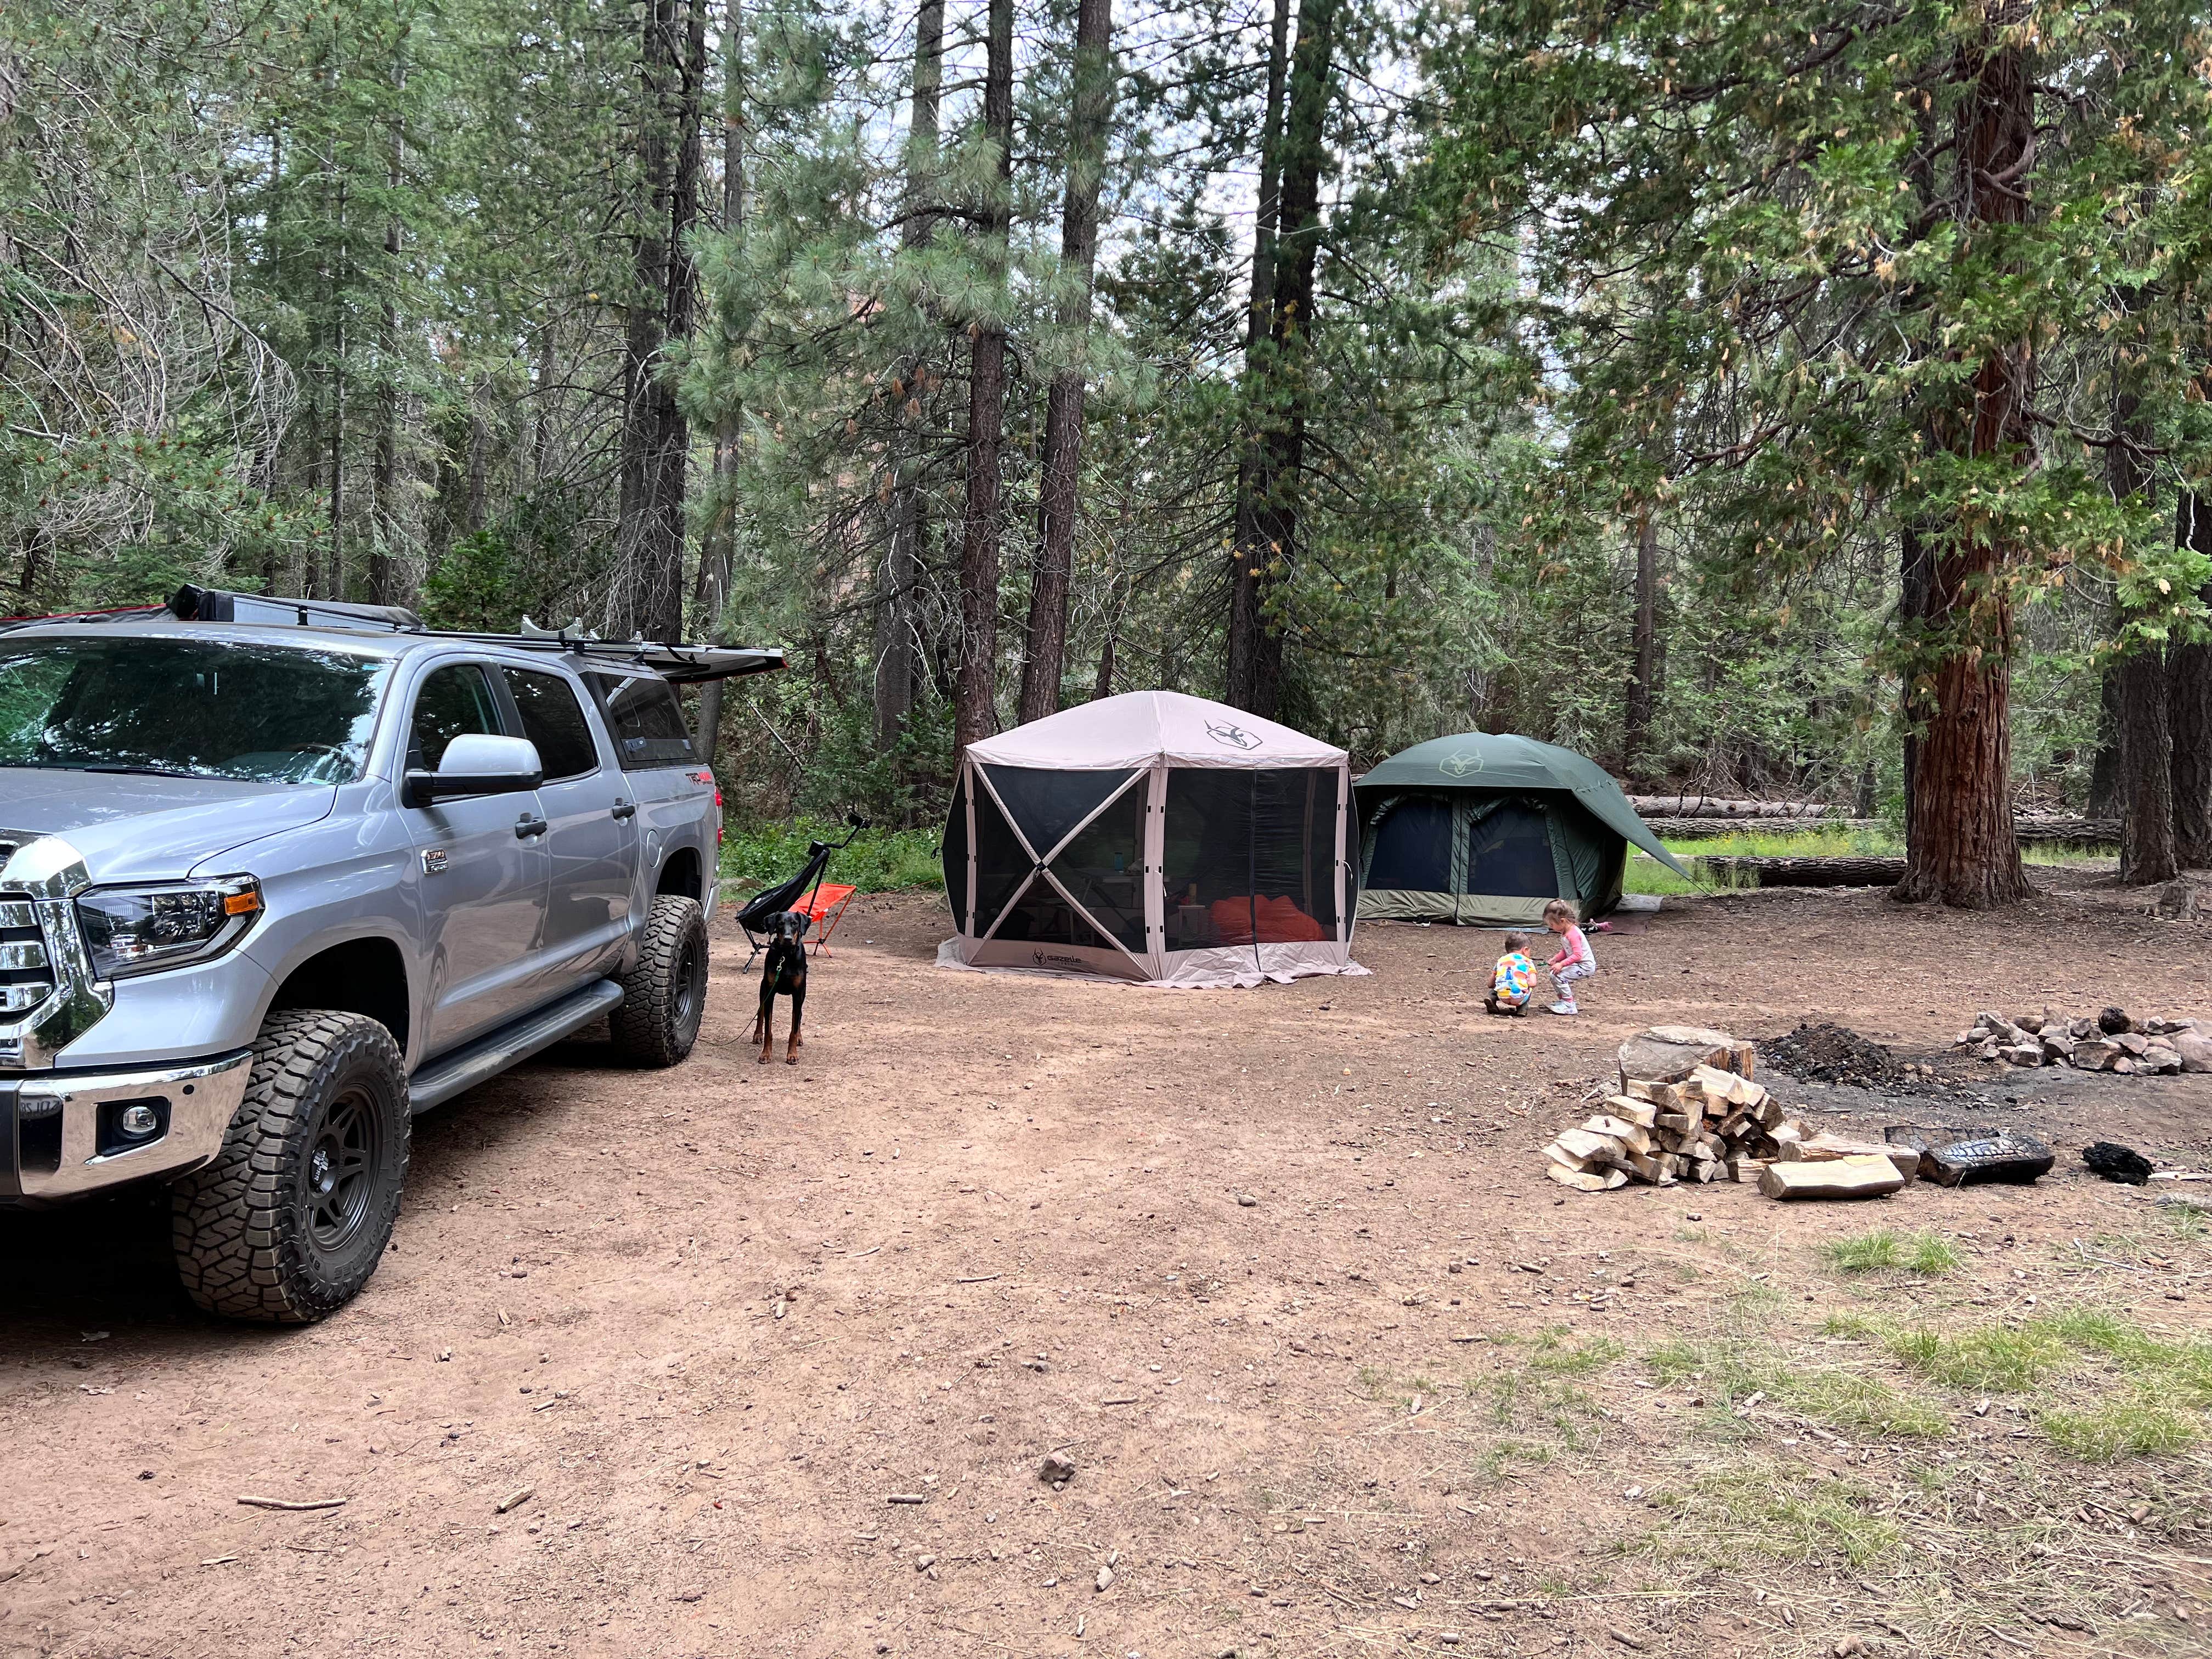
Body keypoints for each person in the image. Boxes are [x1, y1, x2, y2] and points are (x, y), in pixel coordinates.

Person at [1542, 898, 1594, 1015]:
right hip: (1578, 964)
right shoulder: (1566, 932)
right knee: (1554, 975)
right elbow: (1567, 950)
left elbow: (1577, 955)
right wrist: (1557, 959)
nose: (1551, 927)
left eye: (1552, 924)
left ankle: (1569, 1005)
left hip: (1585, 967)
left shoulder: (1573, 934)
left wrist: (1561, 964)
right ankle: (1563, 1000)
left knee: (1560, 976)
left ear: (1562, 921)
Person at [1486, 931, 1536, 1016]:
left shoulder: (1501, 961)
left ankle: (1491, 998)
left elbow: (1490, 984)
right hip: (1519, 997)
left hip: (1503, 996)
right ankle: (1522, 1009)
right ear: (1525, 950)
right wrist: (1522, 983)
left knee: (1499, 984)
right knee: (1529, 989)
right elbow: (1533, 983)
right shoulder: (1528, 962)